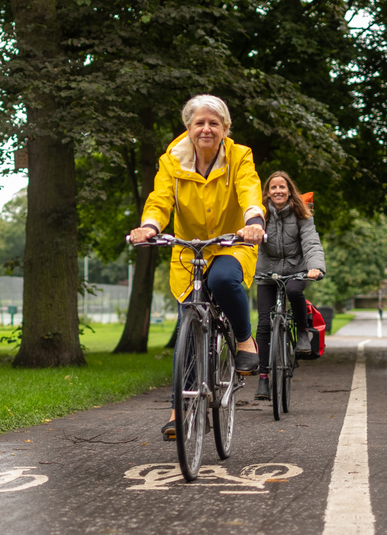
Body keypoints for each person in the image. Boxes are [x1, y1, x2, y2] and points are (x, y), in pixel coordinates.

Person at [129, 94, 265, 440]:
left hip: (233, 243)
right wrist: (149, 226)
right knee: (188, 322)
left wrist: (253, 221)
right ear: (188, 128)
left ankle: (245, 340)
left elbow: (249, 191)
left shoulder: (240, 156)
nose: (206, 129)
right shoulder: (171, 161)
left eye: (214, 123)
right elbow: (160, 199)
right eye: (199, 123)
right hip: (189, 251)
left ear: (225, 128)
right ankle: (180, 409)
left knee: (222, 279)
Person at [253, 172, 325, 401]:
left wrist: (315, 267)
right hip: (267, 272)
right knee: (264, 323)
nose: (278, 191)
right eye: (273, 187)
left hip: (298, 269)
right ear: (267, 192)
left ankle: (303, 332)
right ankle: (263, 377)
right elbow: (249, 242)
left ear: (289, 189)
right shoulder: (259, 214)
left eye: (282, 187)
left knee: (294, 290)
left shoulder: (301, 213)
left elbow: (311, 242)